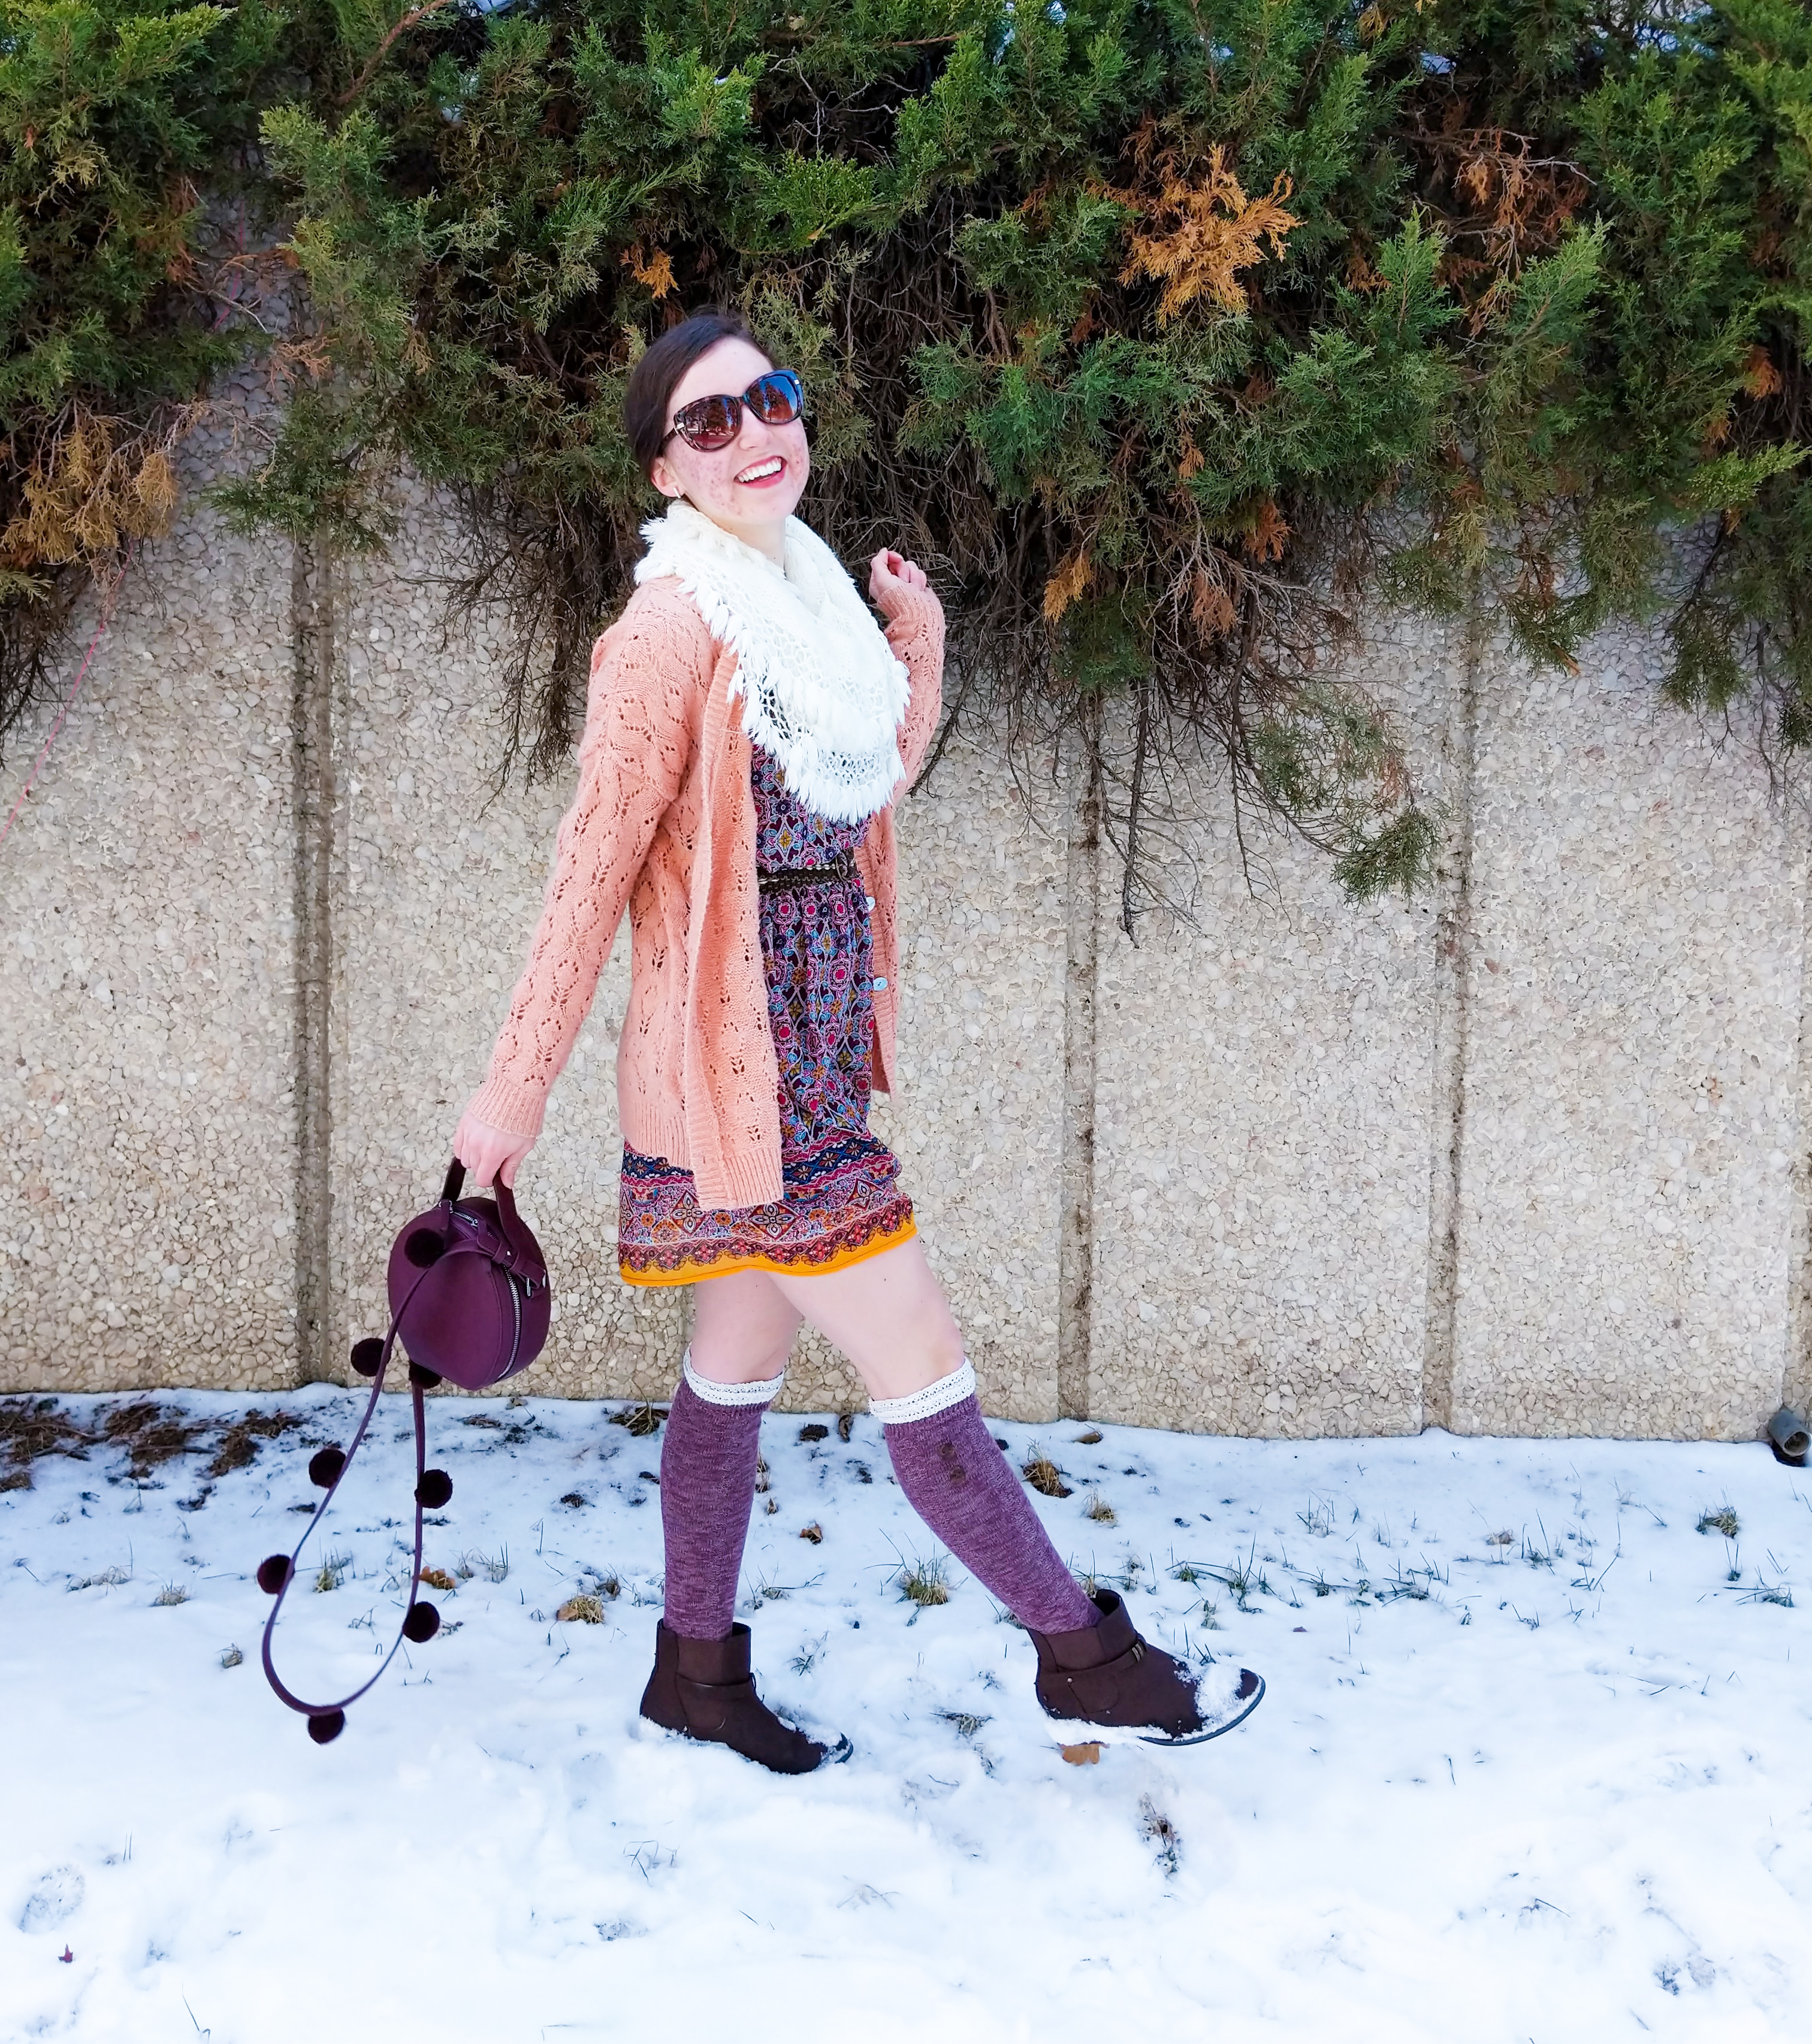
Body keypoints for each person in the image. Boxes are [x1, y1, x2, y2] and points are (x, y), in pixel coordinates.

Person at [452, 309, 1263, 1772]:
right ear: (664, 471)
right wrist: (510, 1094)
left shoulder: (808, 599)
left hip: (813, 1064)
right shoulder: (668, 632)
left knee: (735, 1361)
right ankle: (1085, 1654)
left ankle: (694, 1673)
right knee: (923, 1358)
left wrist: (920, 648)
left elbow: (865, 788)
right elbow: (588, 870)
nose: (755, 433)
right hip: (737, 1086)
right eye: (710, 421)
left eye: (772, 399)